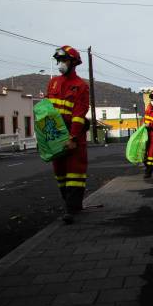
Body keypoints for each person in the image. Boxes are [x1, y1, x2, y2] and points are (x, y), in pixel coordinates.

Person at [47, 45, 90, 224]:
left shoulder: (81, 86)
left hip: (73, 135)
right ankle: (70, 204)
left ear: (73, 62)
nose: (61, 63)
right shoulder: (53, 82)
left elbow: (79, 115)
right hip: (56, 135)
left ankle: (71, 208)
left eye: (64, 60)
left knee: (75, 172)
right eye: (60, 60)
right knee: (60, 173)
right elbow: (47, 110)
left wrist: (73, 138)